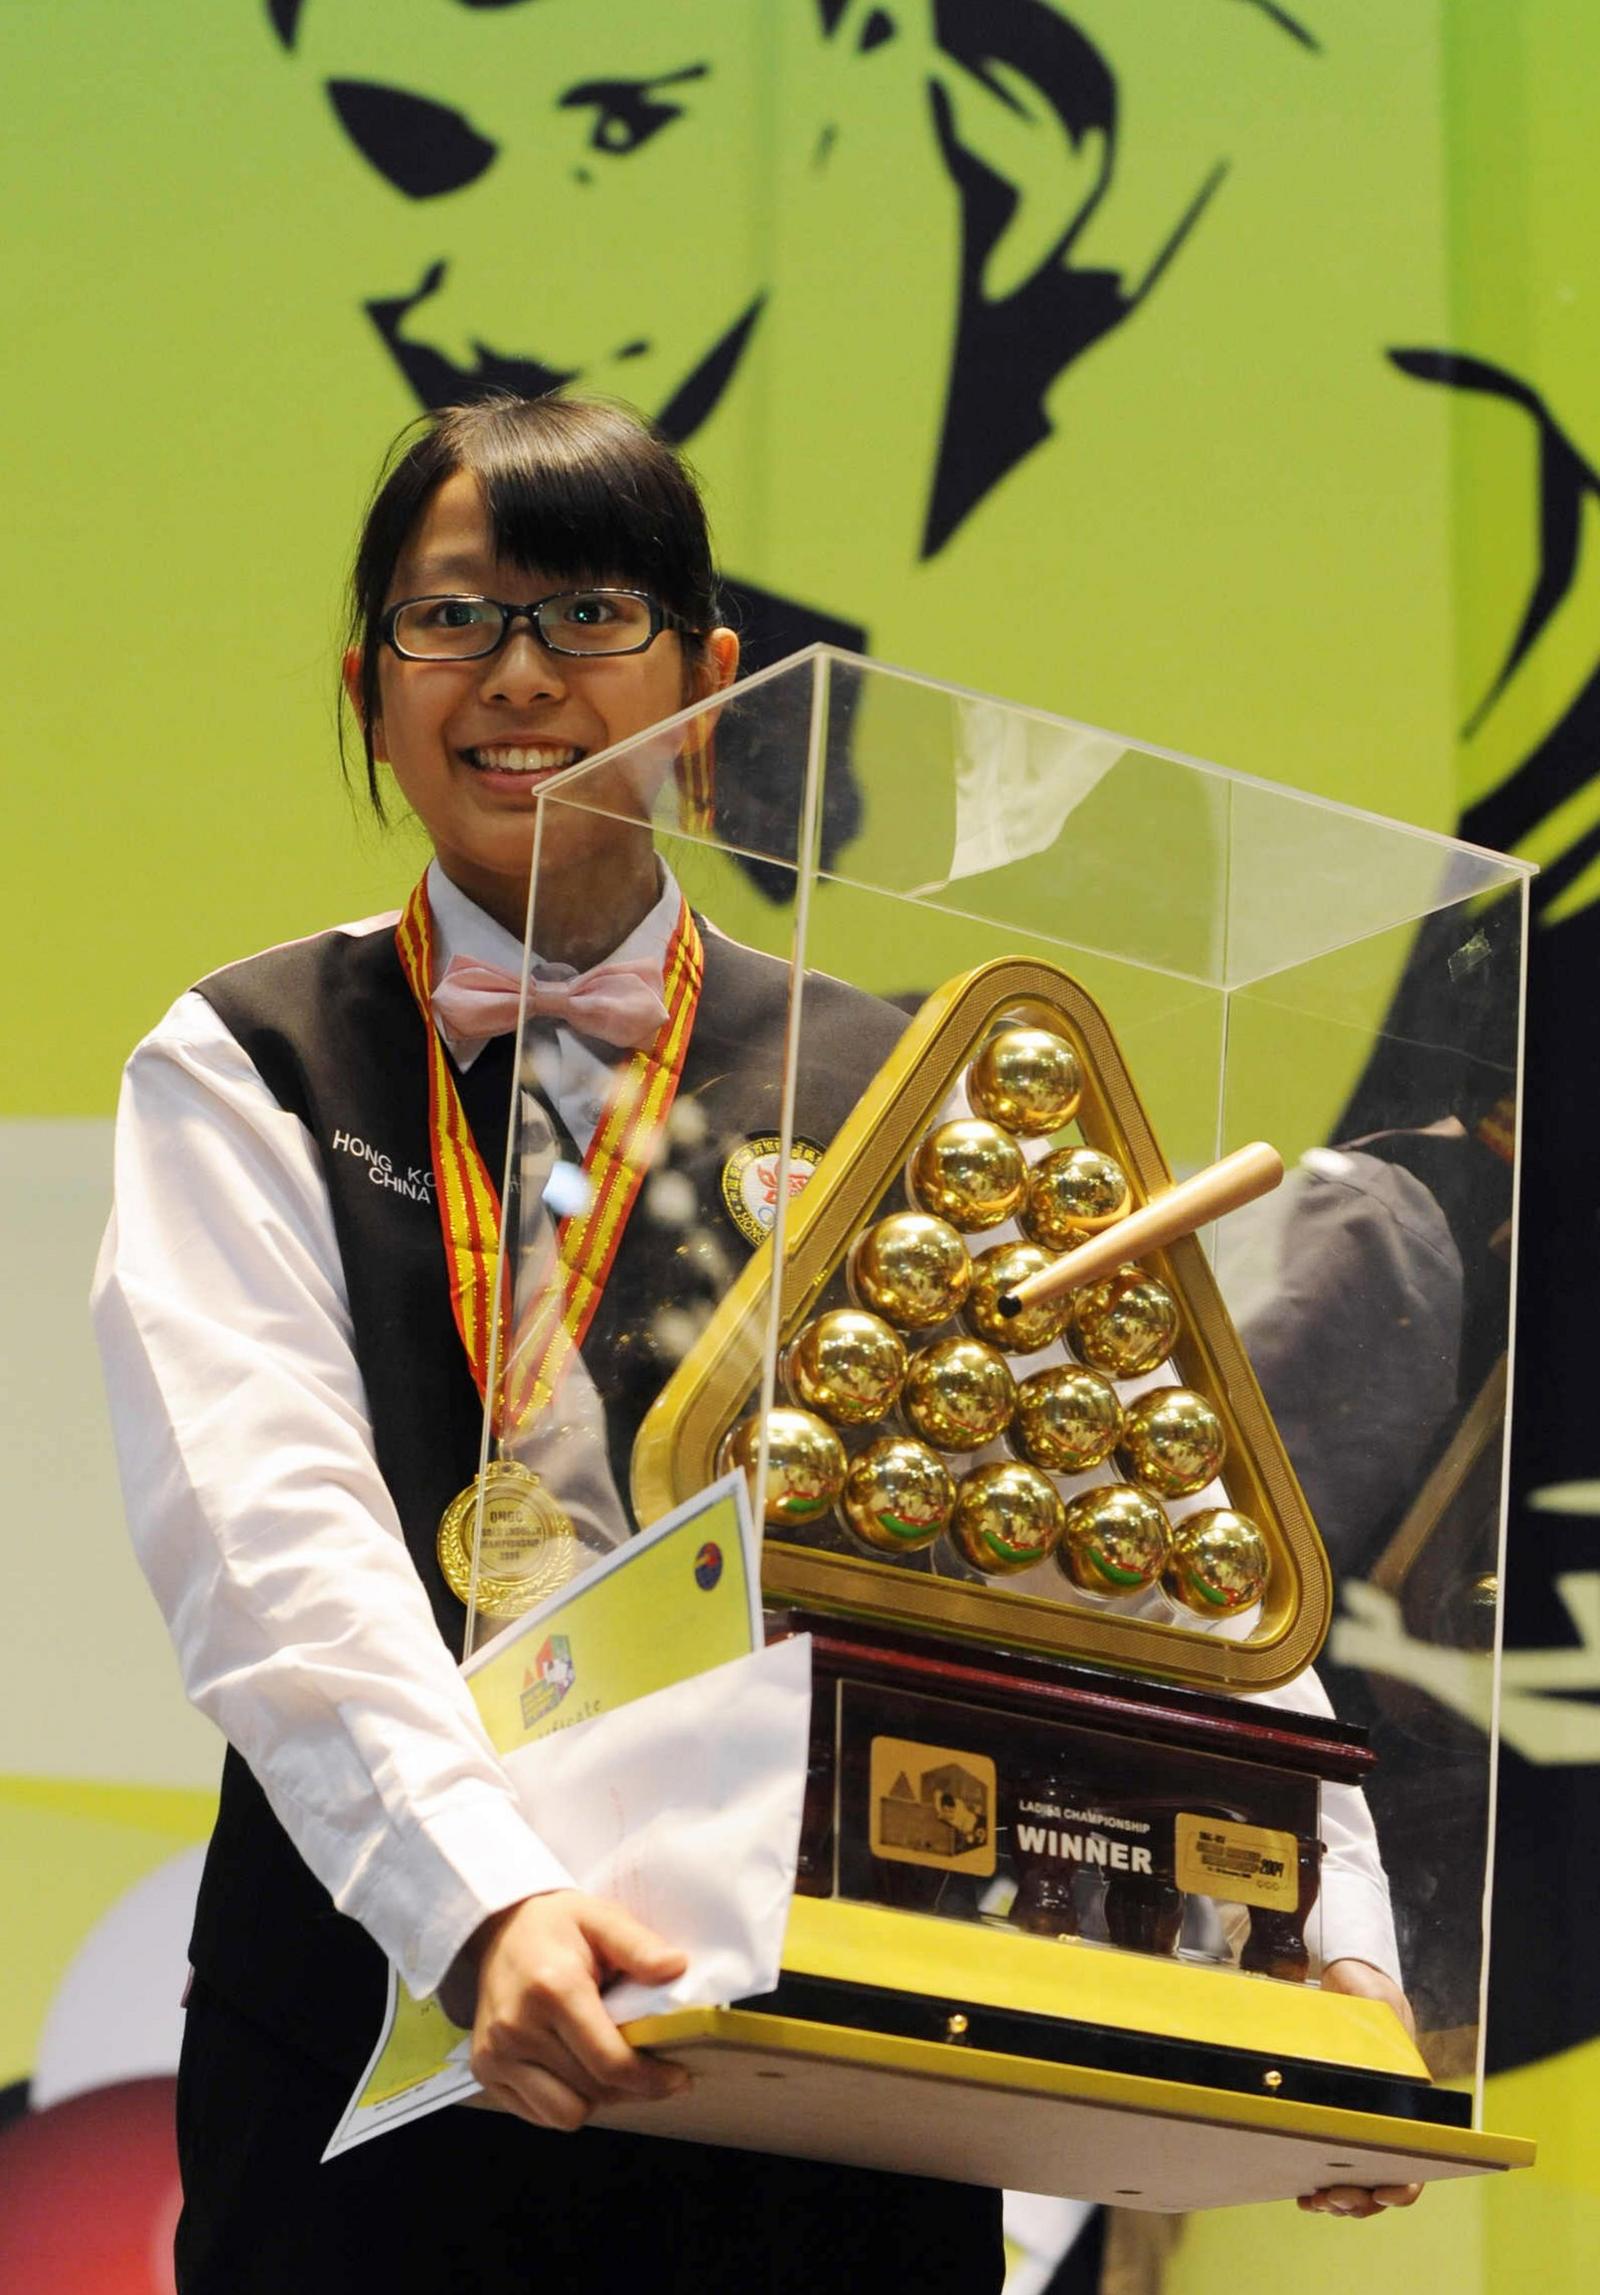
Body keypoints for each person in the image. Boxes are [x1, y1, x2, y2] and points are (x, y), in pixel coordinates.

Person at [91, 393, 1411, 2292]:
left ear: (710, 684)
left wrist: (1326, 1948)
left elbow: (1137, 1537)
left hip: (841, 2074)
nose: (518, 675)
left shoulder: (910, 1083)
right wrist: (484, 1911)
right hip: (392, 2054)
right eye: (452, 619)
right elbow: (273, 1551)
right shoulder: (254, 1060)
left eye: (589, 616)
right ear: (372, 685)